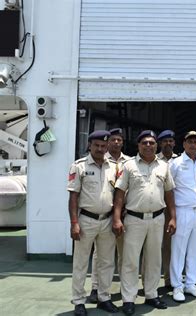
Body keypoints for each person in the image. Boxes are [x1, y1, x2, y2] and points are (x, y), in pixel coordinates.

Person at [112, 130, 176, 315]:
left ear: (156, 146)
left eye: (152, 143)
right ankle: (129, 299)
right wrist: (116, 218)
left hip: (157, 218)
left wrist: (173, 217)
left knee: (154, 259)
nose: (148, 145)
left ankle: (151, 294)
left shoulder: (163, 166)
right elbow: (119, 194)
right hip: (134, 219)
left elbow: (169, 193)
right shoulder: (129, 165)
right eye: (144, 143)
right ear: (138, 145)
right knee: (131, 261)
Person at [67, 130, 119, 316]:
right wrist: (74, 223)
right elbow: (73, 196)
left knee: (106, 263)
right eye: (96, 145)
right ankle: (79, 301)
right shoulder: (79, 166)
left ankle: (104, 297)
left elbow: (119, 195)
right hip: (86, 220)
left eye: (103, 146)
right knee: (81, 263)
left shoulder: (113, 167)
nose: (100, 149)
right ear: (90, 145)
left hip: (107, 220)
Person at [89, 127, 130, 303]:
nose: (116, 142)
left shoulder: (129, 162)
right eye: (113, 139)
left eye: (119, 140)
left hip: (126, 214)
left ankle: (124, 287)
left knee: (124, 252)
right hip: (105, 215)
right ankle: (95, 287)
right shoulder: (100, 160)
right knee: (101, 254)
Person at [169, 131, 196, 302]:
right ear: (183, 144)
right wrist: (172, 215)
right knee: (179, 249)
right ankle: (177, 286)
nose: (193, 145)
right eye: (189, 141)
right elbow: (169, 189)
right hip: (182, 209)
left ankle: (191, 283)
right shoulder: (175, 163)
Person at [156, 129, 179, 290]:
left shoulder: (181, 160)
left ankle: (172, 279)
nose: (168, 144)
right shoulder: (154, 160)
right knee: (157, 246)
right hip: (159, 207)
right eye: (165, 141)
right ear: (160, 143)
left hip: (179, 208)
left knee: (174, 245)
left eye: (170, 141)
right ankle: (155, 280)